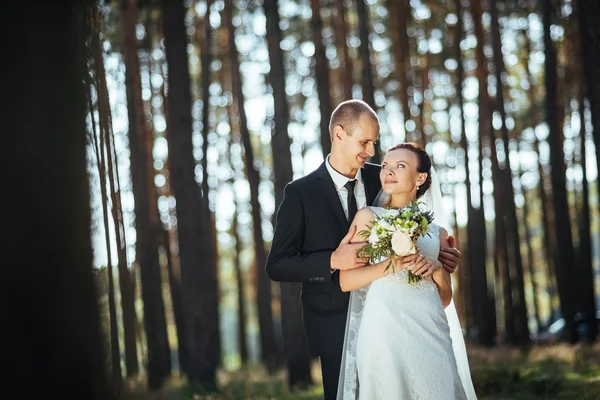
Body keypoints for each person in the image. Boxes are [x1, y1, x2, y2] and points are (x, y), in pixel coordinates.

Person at [265, 100, 461, 400]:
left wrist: (439, 255)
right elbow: (277, 264)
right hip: (333, 320)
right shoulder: (301, 193)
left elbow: (416, 227)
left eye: (374, 143)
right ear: (339, 134)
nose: (371, 152)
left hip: (399, 318)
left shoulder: (384, 177)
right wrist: (331, 259)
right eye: (364, 142)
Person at [336, 142, 477, 399]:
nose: (388, 172)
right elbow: (346, 281)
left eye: (400, 166)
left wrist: (436, 271)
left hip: (431, 327)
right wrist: (391, 265)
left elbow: (445, 299)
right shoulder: (368, 217)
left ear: (420, 177)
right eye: (386, 166)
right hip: (383, 330)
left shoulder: (438, 233)